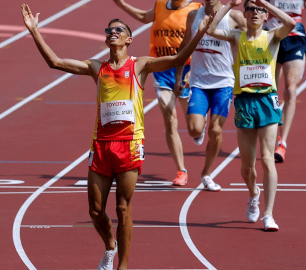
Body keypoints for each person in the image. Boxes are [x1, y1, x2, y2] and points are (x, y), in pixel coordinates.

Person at [21, 4, 213, 268]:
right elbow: (55, 62)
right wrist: (35, 32)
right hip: (101, 145)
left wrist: (198, 34)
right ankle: (110, 244)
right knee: (96, 211)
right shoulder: (95, 67)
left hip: (130, 144)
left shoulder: (140, 65)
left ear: (128, 39)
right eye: (109, 30)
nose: (112, 32)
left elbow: (178, 60)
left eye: (118, 29)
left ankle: (122, 265)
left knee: (123, 208)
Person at [206, 0, 295, 230]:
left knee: (267, 159)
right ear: (244, 14)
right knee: (247, 168)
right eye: (251, 9)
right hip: (245, 102)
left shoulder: (273, 36)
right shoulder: (237, 37)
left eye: (259, 11)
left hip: (267, 101)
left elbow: (291, 22)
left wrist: (264, 2)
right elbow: (211, 29)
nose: (255, 13)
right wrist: (229, 5)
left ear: (266, 16)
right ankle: (253, 191)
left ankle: (268, 214)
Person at [112, 0, 203, 186]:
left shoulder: (196, 9)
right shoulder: (161, 5)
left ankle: (197, 128)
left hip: (187, 69)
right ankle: (181, 170)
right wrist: (120, 4)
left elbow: (205, 39)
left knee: (195, 127)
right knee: (170, 120)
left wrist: (197, 67)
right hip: (162, 68)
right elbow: (143, 17)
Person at [175, 0, 246, 191]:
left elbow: (252, 39)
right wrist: (179, 76)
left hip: (224, 83)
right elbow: (184, 45)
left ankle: (206, 174)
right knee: (194, 130)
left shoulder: (234, 17)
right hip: (199, 82)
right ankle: (201, 122)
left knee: (216, 131)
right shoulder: (193, 15)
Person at [264, 0, 306, 163]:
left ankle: (282, 142)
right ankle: (271, 134)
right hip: (272, 37)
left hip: (295, 38)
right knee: (270, 91)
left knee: (291, 89)